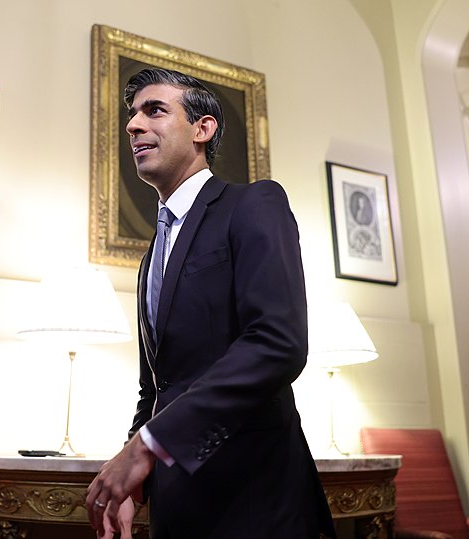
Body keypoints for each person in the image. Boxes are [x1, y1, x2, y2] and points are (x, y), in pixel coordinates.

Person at [85, 67, 335, 539]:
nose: (133, 125)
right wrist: (134, 479)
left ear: (202, 129)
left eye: (154, 110)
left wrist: (147, 446)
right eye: (132, 115)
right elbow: (155, 388)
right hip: (176, 507)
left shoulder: (254, 204)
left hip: (255, 504)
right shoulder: (150, 258)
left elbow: (277, 343)